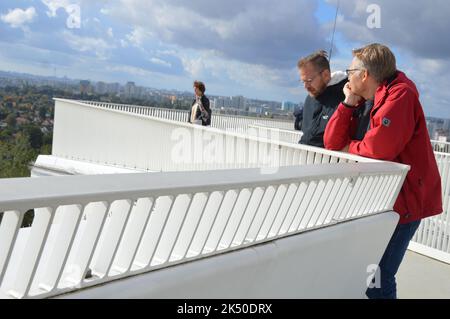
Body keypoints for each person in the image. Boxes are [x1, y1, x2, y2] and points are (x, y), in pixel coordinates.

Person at [323, 43, 442, 299]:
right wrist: (348, 101)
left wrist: (349, 147)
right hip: (382, 199)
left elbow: (378, 149)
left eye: (349, 70)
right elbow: (332, 143)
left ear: (364, 75)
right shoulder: (369, 98)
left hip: (404, 202)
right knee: (370, 273)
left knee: (377, 276)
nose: (347, 76)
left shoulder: (400, 96)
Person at [297, 50, 347, 147]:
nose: (305, 86)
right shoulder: (310, 98)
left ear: (326, 75)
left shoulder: (345, 96)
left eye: (309, 80)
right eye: (303, 81)